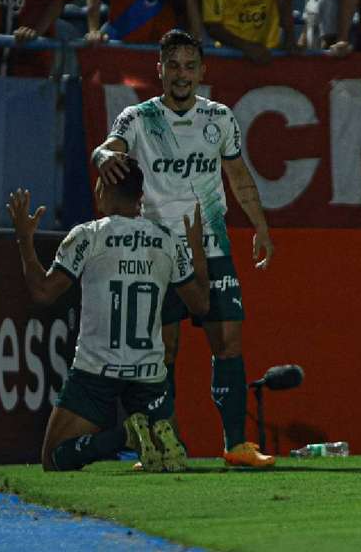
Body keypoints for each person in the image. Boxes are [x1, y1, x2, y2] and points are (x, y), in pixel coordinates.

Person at [91, 29, 276, 468]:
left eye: (189, 66)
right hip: (159, 254)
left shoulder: (220, 118)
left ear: (202, 71)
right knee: (164, 350)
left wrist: (261, 227)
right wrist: (102, 157)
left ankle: (235, 444)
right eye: (173, 66)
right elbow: (108, 148)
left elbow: (239, 176)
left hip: (212, 246)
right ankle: (164, 446)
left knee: (227, 339)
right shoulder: (137, 119)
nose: (181, 74)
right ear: (159, 69)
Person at [7, 159, 210, 473]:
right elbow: (200, 305)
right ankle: (153, 430)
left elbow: (44, 292)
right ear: (138, 196)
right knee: (165, 457)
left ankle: (124, 436)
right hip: (149, 375)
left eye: (100, 184)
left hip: (96, 370)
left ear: (108, 191)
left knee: (54, 458)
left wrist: (24, 239)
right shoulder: (166, 239)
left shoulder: (89, 235)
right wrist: (196, 248)